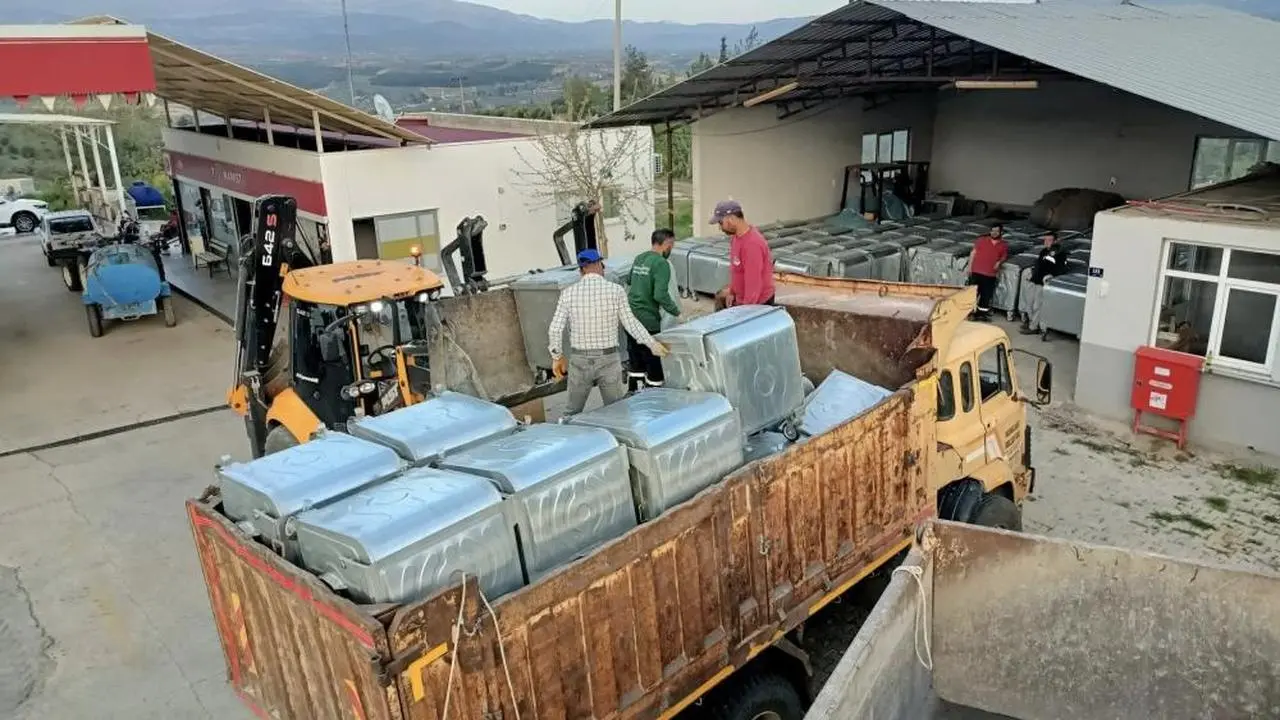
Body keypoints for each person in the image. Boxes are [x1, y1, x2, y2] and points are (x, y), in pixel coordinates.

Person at [549, 248, 669, 415]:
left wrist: (557, 357)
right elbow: (631, 323)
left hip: (580, 360)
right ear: (599, 264)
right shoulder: (616, 291)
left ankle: (568, 429)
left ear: (581, 270)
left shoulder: (568, 294)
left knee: (571, 412)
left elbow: (555, 328)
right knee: (616, 412)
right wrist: (652, 344)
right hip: (608, 359)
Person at [627, 229, 682, 391]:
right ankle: (654, 396)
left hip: (630, 318)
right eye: (672, 245)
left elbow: (629, 281)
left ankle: (634, 393)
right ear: (667, 244)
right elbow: (660, 295)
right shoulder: (661, 263)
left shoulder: (640, 258)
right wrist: (677, 312)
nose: (671, 249)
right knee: (653, 363)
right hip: (648, 320)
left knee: (636, 361)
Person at [710, 200, 775, 309]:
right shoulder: (736, 238)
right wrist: (732, 292)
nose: (720, 228)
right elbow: (736, 270)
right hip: (742, 299)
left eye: (721, 223)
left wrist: (744, 312)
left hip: (757, 304)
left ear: (731, 219)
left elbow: (753, 285)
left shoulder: (752, 245)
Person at [1021, 232, 1069, 337]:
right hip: (1034, 280)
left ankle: (1033, 327)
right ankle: (1030, 322)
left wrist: (1051, 276)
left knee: (1037, 306)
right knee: (1029, 303)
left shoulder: (1061, 254)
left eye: (1049, 240)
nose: (1046, 242)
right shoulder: (1043, 251)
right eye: (1045, 240)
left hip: (1043, 283)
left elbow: (1062, 269)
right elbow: (1039, 264)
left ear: (1055, 241)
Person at [967, 222, 1008, 321]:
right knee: (972, 294)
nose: (994, 233)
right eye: (992, 231)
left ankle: (981, 314)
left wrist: (999, 262)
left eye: (997, 231)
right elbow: (973, 253)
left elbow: (1004, 256)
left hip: (990, 274)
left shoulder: (1003, 245)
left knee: (986, 295)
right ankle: (970, 313)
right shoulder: (981, 240)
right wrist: (969, 267)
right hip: (976, 271)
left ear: (1001, 232)